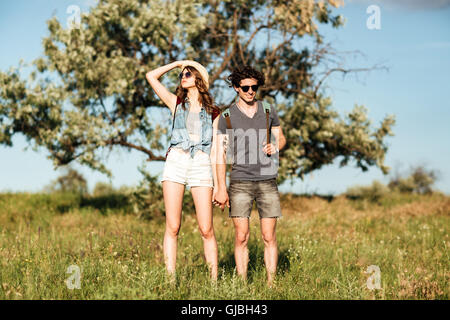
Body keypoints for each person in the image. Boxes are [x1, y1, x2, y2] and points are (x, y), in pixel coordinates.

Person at [146, 60, 221, 281]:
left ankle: (214, 283)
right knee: (173, 226)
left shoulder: (215, 113)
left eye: (188, 73)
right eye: (182, 74)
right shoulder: (176, 103)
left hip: (201, 165)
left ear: (199, 78)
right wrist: (178, 63)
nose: (183, 76)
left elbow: (216, 151)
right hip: (176, 163)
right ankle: (170, 281)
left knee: (206, 228)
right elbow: (151, 76)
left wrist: (218, 186)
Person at [213, 65, 286, 286]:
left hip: (266, 179)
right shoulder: (225, 117)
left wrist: (276, 145)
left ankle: (271, 285)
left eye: (254, 87)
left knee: (268, 236)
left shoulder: (268, 110)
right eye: (246, 87)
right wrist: (221, 187)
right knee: (241, 235)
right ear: (236, 88)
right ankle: (242, 284)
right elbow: (219, 155)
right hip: (240, 181)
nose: (251, 91)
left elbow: (281, 138)